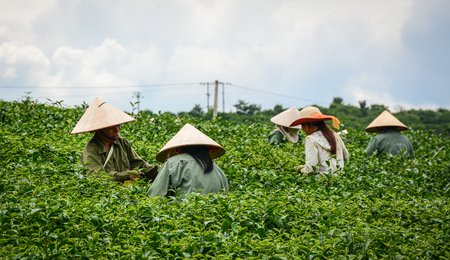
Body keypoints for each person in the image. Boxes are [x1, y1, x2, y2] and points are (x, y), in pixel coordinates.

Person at [71, 97, 158, 183]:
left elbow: (140, 166)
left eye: (118, 125)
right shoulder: (92, 149)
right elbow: (97, 177)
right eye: (111, 128)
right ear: (100, 129)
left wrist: (161, 169)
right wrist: (126, 175)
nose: (117, 130)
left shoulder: (122, 143)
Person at [147, 123, 229, 199]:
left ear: (178, 148)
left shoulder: (174, 163)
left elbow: (155, 196)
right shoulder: (217, 170)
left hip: (183, 213)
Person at [290, 106, 349, 175]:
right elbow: (346, 156)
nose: (302, 129)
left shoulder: (311, 140)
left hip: (322, 182)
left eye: (302, 125)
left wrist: (300, 168)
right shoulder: (335, 136)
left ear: (307, 125)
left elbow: (310, 169)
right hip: (340, 180)